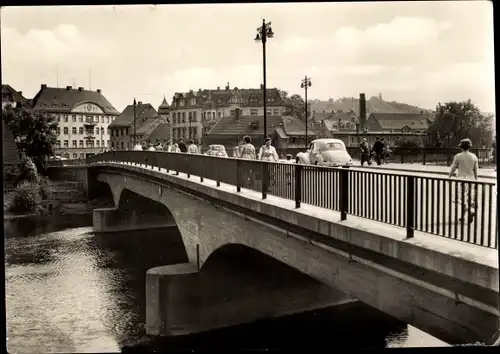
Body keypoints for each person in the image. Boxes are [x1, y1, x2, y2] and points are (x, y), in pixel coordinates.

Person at [449, 138, 478, 223]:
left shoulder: (458, 156)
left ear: (461, 147)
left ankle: (470, 211)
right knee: (468, 199)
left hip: (461, 180)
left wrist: (449, 176)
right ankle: (462, 217)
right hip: (471, 179)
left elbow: (454, 167)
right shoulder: (474, 156)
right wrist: (476, 179)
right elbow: (475, 170)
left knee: (459, 199)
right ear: (469, 147)